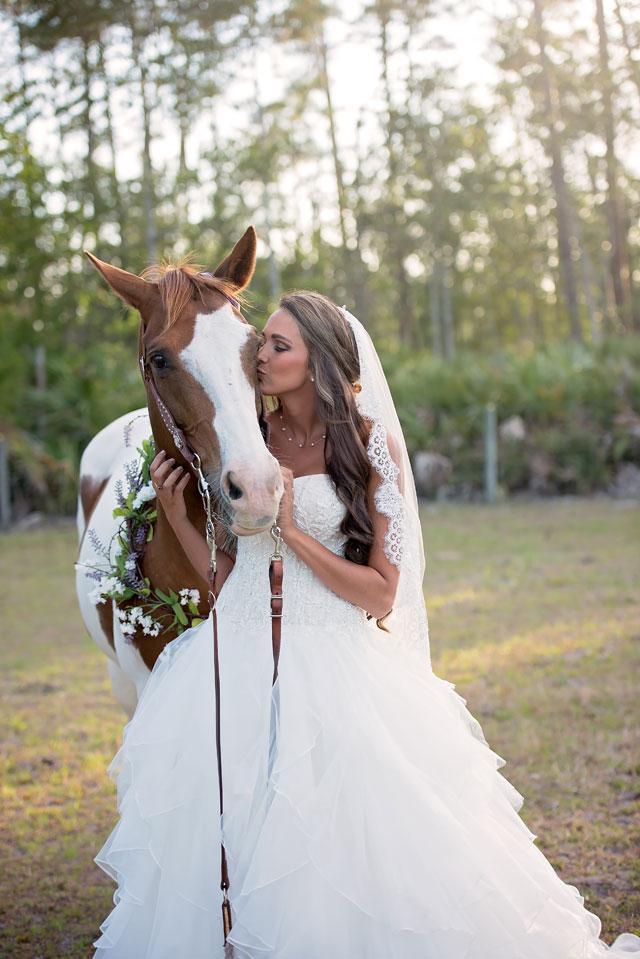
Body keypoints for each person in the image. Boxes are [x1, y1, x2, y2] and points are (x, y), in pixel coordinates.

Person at [93, 292, 639, 958]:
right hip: (237, 655)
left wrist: (294, 533)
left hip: (332, 662)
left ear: (318, 360)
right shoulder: (250, 441)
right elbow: (231, 582)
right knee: (230, 830)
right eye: (262, 342)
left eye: (279, 346)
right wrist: (180, 516)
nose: (261, 355)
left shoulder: (371, 444)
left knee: (338, 837)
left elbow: (382, 595)